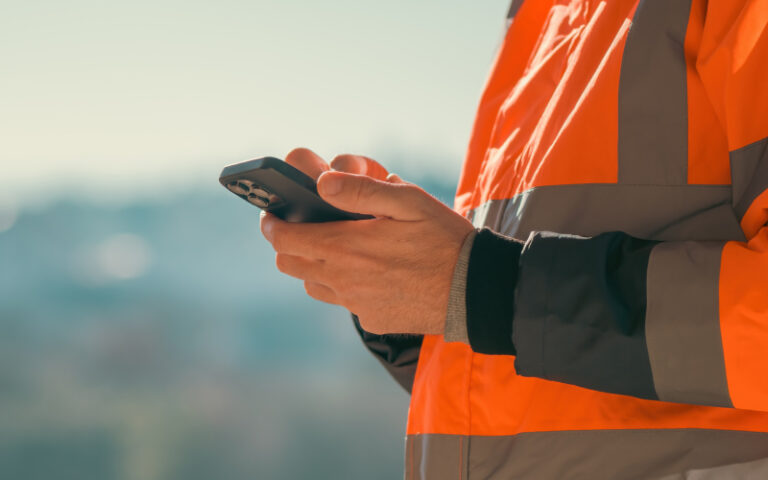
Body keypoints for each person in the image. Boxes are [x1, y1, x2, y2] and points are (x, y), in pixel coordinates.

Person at [260, 0, 768, 478]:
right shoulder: (541, 15)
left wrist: (477, 287)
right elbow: (522, 356)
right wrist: (411, 294)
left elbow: (501, 294)